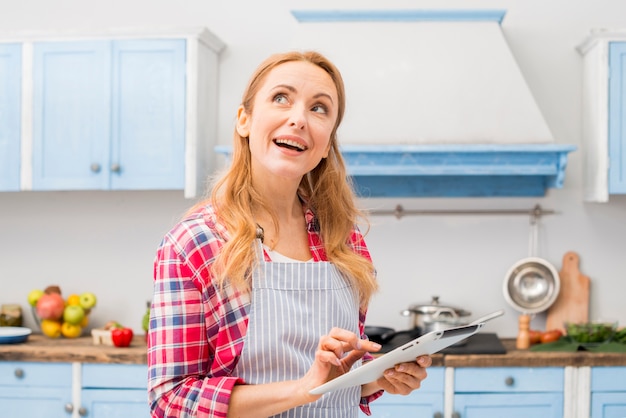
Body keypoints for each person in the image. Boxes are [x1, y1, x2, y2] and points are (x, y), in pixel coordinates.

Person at [147, 50, 432, 418]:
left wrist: (377, 379)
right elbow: (170, 402)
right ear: (244, 120)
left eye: (319, 108)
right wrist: (301, 389)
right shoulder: (194, 243)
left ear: (326, 143)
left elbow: (337, 379)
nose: (298, 119)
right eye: (281, 98)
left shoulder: (343, 240)